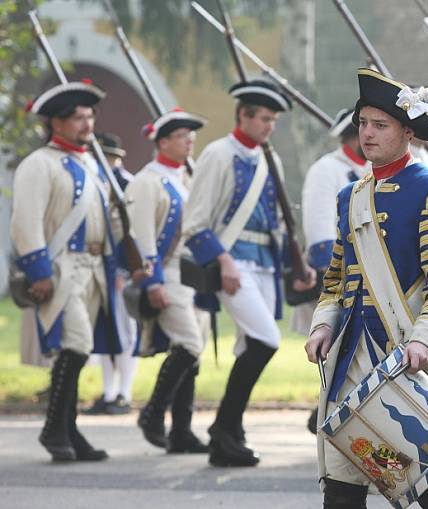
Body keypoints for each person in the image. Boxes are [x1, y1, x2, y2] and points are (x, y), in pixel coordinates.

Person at [305, 67, 428, 508]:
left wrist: (426, 341)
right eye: (363, 124)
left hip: (405, 356)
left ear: (407, 133)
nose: (368, 134)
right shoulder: (350, 197)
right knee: (340, 486)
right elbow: (337, 279)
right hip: (352, 357)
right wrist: (322, 325)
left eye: (380, 125)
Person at [183, 78, 316, 466]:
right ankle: (223, 428)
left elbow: (279, 223)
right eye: (263, 119)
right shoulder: (218, 154)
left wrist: (297, 265)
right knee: (265, 340)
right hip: (233, 261)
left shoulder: (267, 159)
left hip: (265, 265)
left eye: (273, 120)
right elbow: (195, 223)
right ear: (243, 115)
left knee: (249, 344)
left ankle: (231, 432)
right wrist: (222, 260)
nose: (269, 127)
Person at [12, 80, 122, 462]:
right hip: (60, 267)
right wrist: (39, 270)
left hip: (93, 269)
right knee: (75, 346)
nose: (87, 123)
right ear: (56, 123)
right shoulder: (38, 164)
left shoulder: (90, 163)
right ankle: (54, 429)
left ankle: (69, 431)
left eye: (89, 116)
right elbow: (25, 223)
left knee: (79, 348)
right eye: (78, 117)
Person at [130, 108, 209, 453]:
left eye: (191, 135)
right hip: (167, 273)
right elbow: (142, 235)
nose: (189, 140)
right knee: (189, 344)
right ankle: (151, 414)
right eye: (181, 136)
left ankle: (181, 431)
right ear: (162, 142)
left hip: (192, 274)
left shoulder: (187, 177)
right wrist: (153, 282)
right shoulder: (147, 181)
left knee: (194, 354)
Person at [292, 108, 369, 338]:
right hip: (338, 273)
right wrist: (334, 277)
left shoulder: (374, 170)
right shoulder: (325, 169)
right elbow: (319, 227)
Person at [83, 132, 138, 416]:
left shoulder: (127, 185)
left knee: (127, 333)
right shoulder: (96, 184)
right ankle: (108, 391)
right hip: (100, 268)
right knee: (105, 333)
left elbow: (130, 235)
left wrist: (125, 270)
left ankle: (124, 393)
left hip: (121, 272)